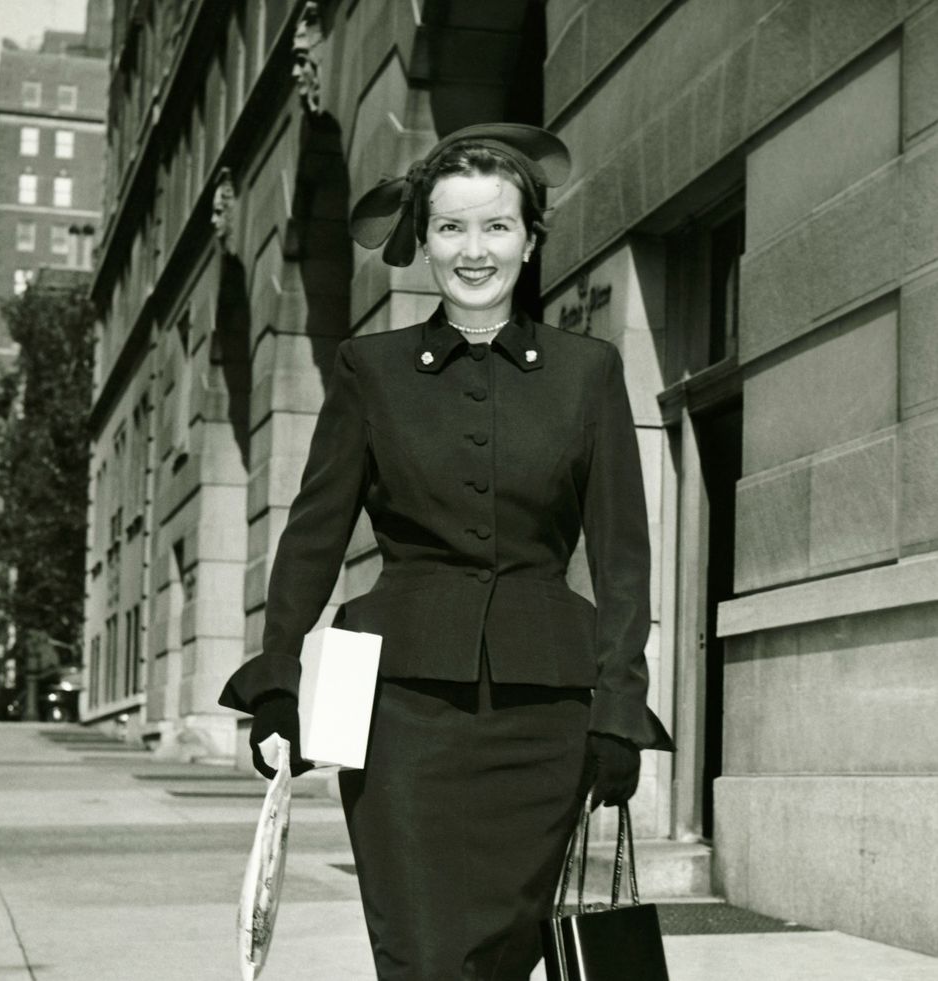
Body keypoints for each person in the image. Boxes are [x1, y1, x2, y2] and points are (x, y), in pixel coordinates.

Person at [218, 123, 674, 980]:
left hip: (546, 716)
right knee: (423, 956)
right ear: (423, 240)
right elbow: (313, 534)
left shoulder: (589, 371)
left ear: (531, 239)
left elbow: (623, 558)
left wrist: (618, 706)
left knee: (500, 959)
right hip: (396, 712)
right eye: (452, 228)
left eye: (496, 226)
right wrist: (276, 676)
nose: (475, 250)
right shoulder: (369, 368)